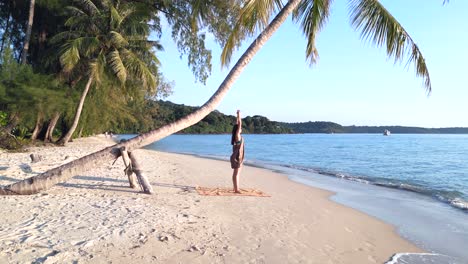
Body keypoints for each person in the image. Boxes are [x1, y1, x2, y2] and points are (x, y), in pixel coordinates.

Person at [230, 110, 244, 193]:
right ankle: (236, 189)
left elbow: (237, 124)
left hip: (238, 156)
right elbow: (239, 124)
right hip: (237, 157)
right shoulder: (237, 135)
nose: (241, 128)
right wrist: (239, 115)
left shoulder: (236, 135)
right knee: (236, 173)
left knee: (237, 172)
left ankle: (236, 187)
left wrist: (237, 116)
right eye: (240, 128)